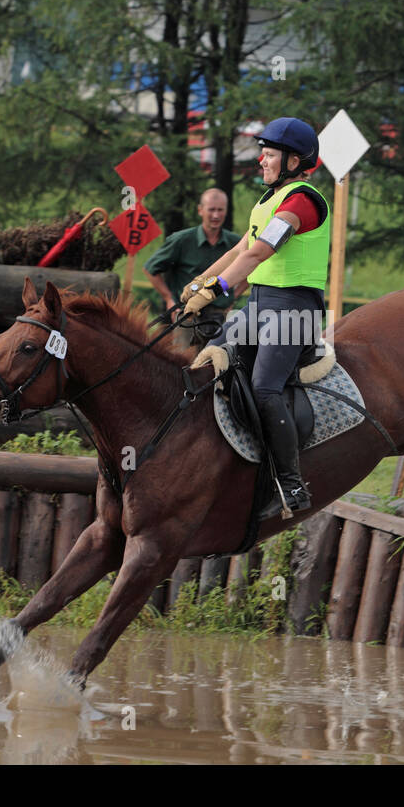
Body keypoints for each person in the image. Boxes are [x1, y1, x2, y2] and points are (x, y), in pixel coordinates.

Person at [181, 117, 330, 520]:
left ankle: (291, 483)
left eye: (269, 155)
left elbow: (258, 254)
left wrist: (216, 290)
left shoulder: (302, 203)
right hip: (259, 306)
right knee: (206, 361)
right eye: (262, 153)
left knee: (265, 388)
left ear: (294, 161)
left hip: (294, 310)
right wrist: (200, 282)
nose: (261, 161)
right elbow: (238, 251)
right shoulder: (267, 201)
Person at [143, 187, 246, 347]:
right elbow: (150, 268)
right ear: (200, 210)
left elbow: (251, 269)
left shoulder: (236, 243)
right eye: (211, 209)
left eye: (220, 210)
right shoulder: (182, 240)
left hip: (221, 315)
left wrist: (233, 296)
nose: (216, 215)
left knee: (220, 364)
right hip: (187, 315)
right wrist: (169, 299)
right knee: (183, 365)